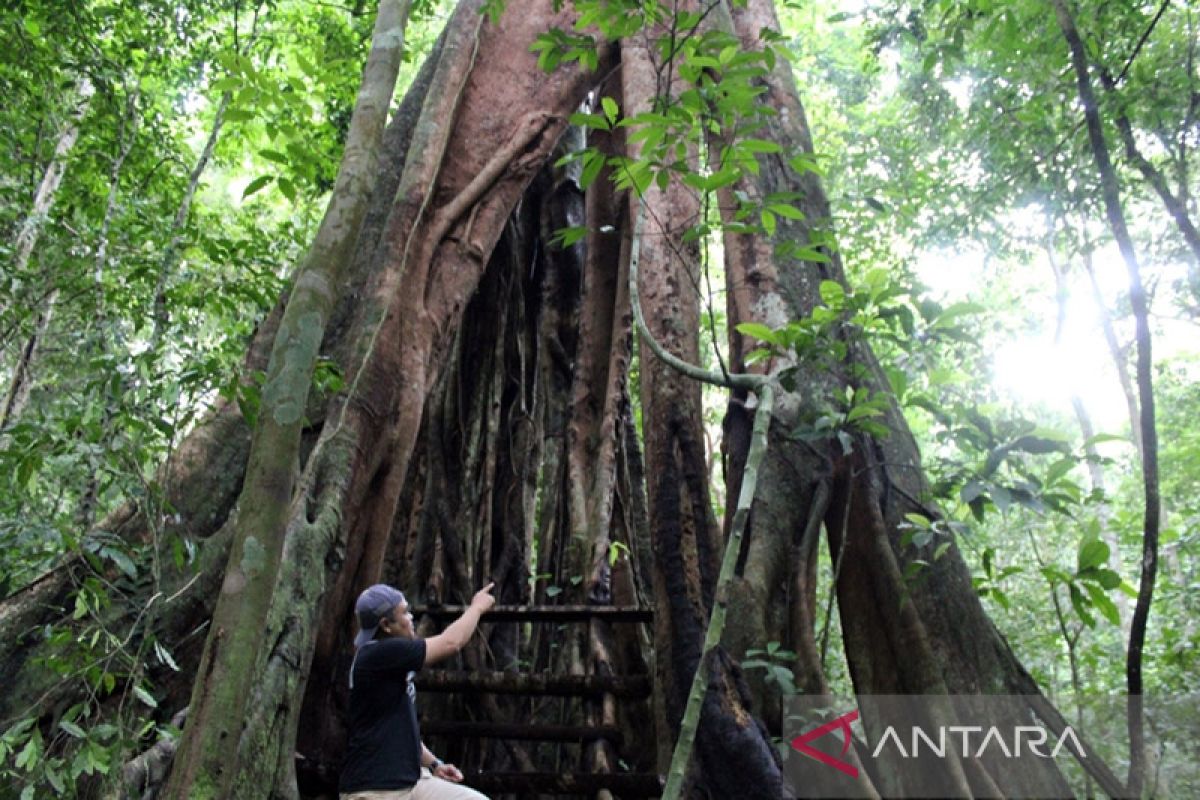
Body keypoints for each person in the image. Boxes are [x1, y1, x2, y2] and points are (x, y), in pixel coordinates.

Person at [339, 581, 497, 800]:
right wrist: (477, 607)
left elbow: (399, 728)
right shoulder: (378, 654)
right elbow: (451, 642)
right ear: (386, 625)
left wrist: (434, 764)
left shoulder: (390, 661)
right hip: (376, 789)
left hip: (412, 780)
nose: (411, 618)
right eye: (404, 613)